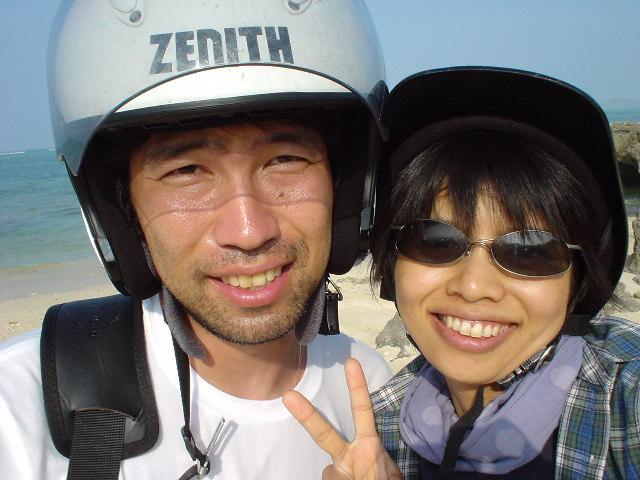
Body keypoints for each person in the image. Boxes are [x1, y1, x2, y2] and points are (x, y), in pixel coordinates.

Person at [0, 1, 393, 478]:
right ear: (123, 212)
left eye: (284, 160)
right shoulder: (17, 411)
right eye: (187, 171)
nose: (248, 232)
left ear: (346, 186)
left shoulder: (369, 388)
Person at [284, 67, 640, 479]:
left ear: (578, 280)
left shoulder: (622, 399)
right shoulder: (384, 429)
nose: (473, 287)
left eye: (529, 251)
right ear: (391, 263)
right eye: (435, 240)